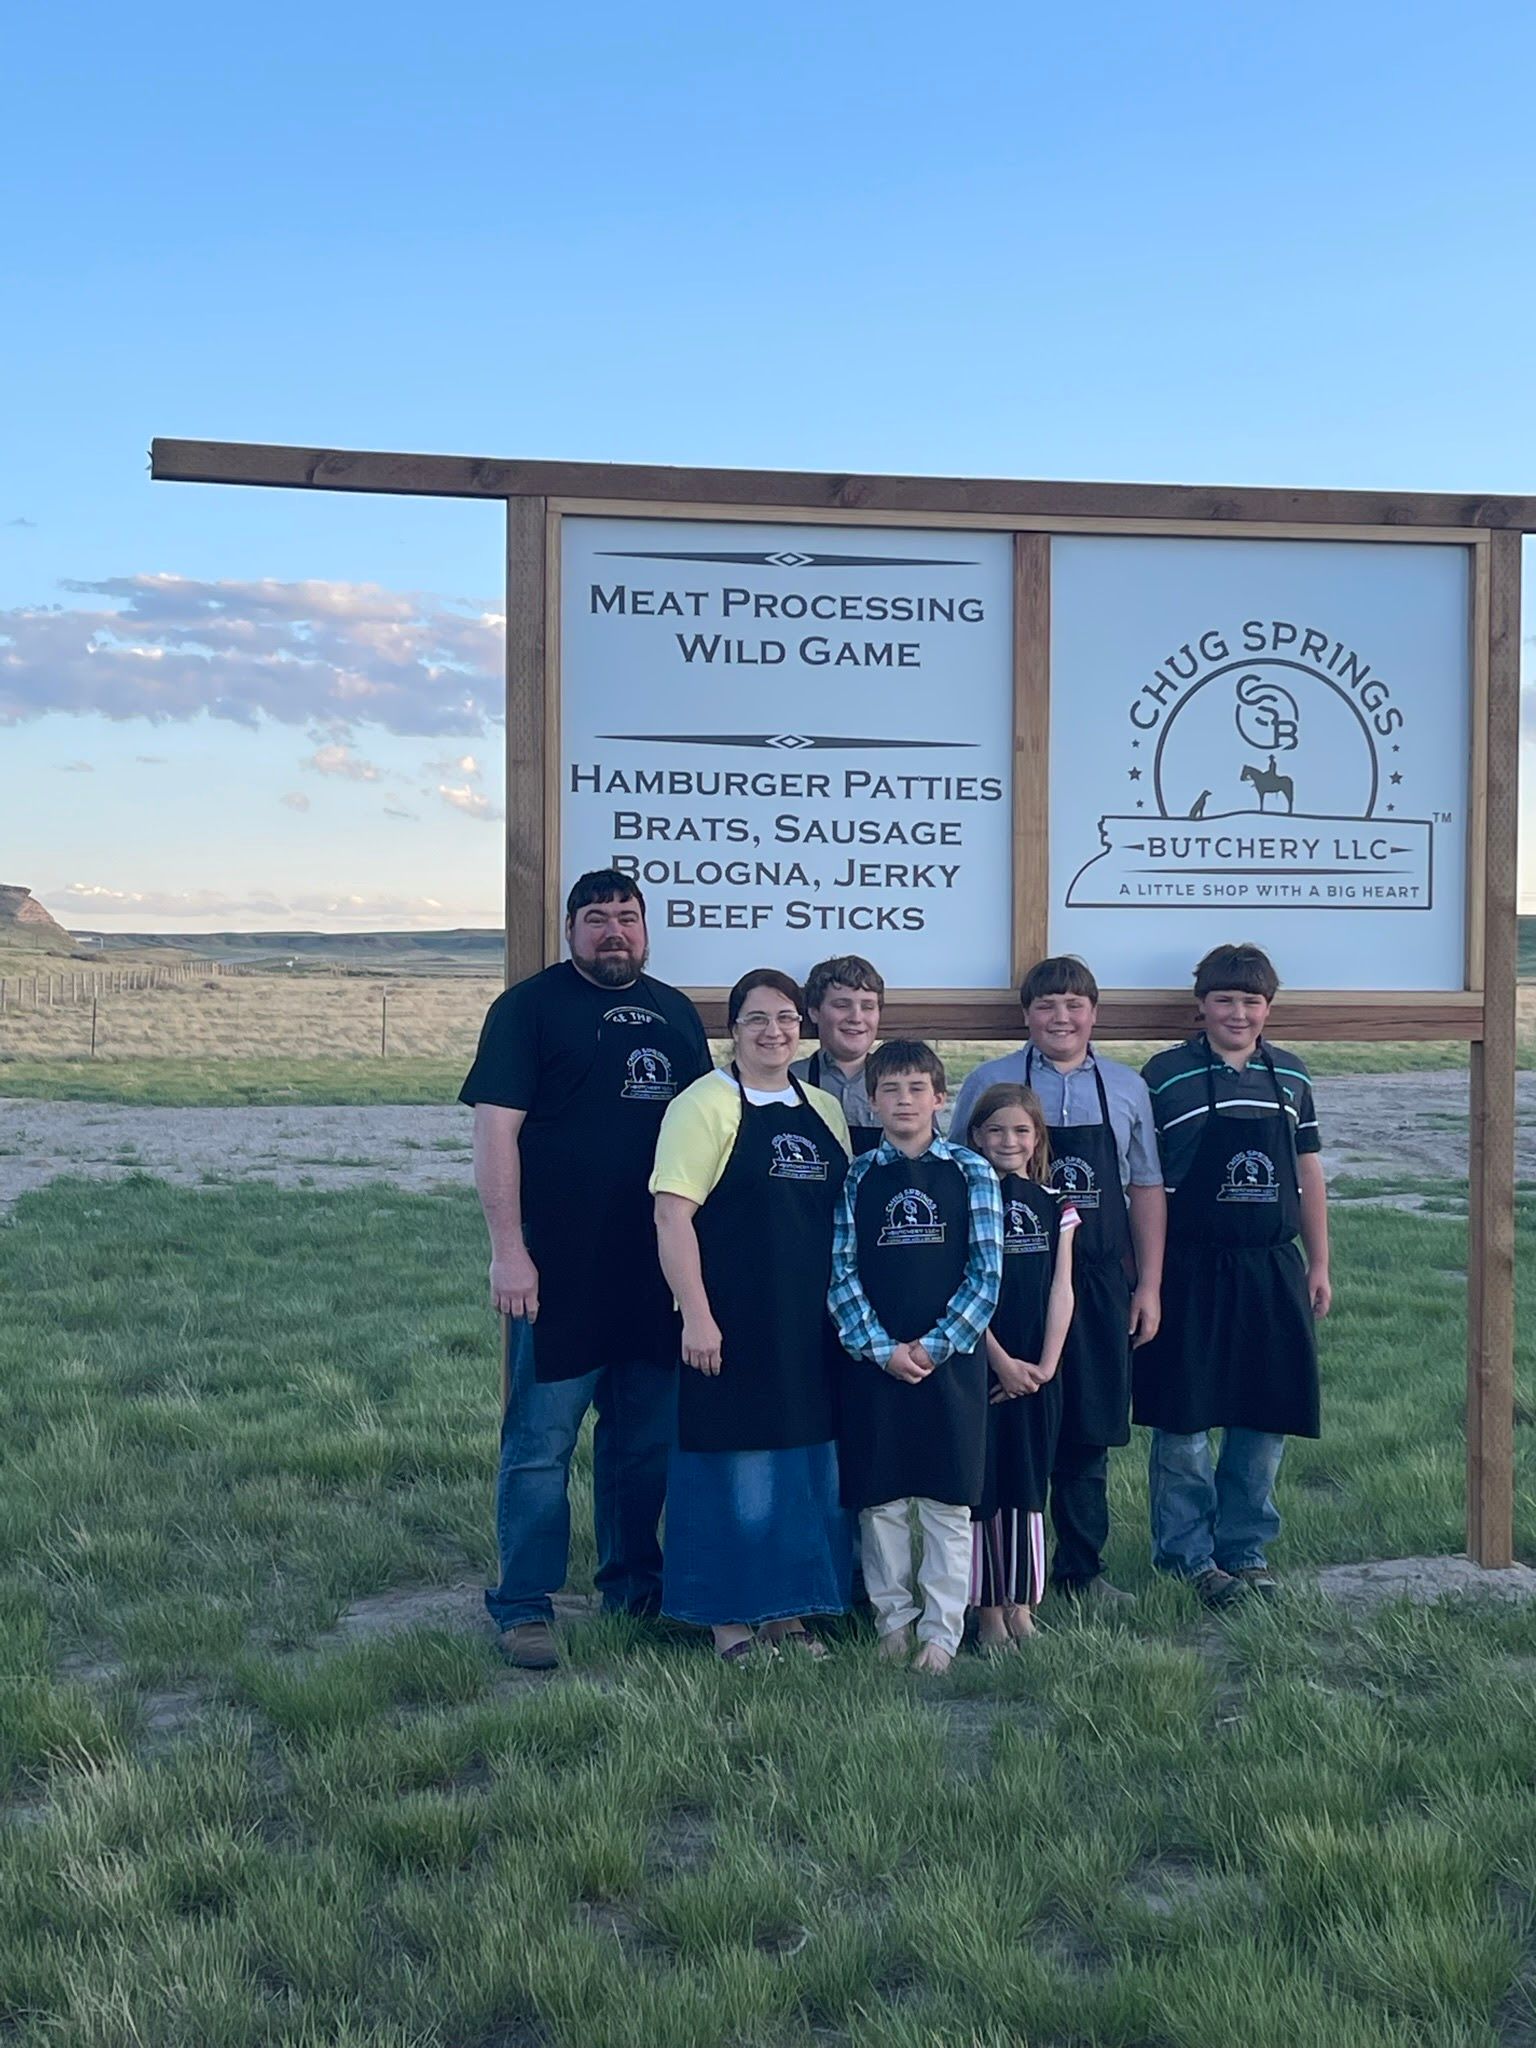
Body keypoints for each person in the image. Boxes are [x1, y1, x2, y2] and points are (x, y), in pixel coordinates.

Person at [461, 870, 712, 1668]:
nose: (613, 930)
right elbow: (495, 1134)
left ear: (646, 929)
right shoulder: (528, 1010)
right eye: (596, 917)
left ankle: (634, 1591)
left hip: (654, 1274)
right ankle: (523, 1606)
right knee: (541, 1444)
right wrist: (508, 1250)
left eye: (626, 917)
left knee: (642, 1446)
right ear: (571, 930)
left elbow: (706, 1140)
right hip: (557, 1270)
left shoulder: (676, 1014)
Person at [651, 970, 853, 1660]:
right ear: (732, 1030)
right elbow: (672, 1217)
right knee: (732, 1470)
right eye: (758, 1019)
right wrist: (696, 1316)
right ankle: (728, 1619)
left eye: (787, 1018)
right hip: (730, 1323)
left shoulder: (822, 1109)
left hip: (808, 1327)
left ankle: (786, 1615)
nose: (774, 1031)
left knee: (800, 1469)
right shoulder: (702, 1105)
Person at [952, 958, 1164, 1606]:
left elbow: (1145, 1186)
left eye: (1074, 1005)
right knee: (1003, 1428)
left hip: (1094, 1281)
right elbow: (956, 1171)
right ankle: (998, 1580)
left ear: (1093, 1013)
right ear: (1026, 1014)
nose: (1061, 1017)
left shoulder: (1126, 1087)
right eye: (1046, 1005)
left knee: (1088, 1428)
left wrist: (1148, 1285)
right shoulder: (989, 1081)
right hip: (1008, 1288)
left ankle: (1082, 1570)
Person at [1133, 943, 1331, 1608]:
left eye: (1251, 1001)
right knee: (1184, 1419)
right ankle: (1187, 1557)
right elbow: (1147, 1180)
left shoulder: (1292, 1075)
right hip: (1190, 1265)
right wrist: (1148, 1280)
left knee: (1264, 1412)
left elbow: (1307, 1172)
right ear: (1202, 1006)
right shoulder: (1165, 1075)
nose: (1238, 1013)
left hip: (1271, 1265)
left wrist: (1319, 1262)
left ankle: (1244, 1550)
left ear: (1268, 1007)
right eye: (1225, 1000)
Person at [829, 1041, 1003, 1674]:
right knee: (882, 1502)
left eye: (916, 1089)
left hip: (950, 1363)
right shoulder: (857, 1177)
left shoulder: (971, 1172)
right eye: (891, 1090)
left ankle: (941, 1632)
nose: (904, 1101)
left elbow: (986, 1274)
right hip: (875, 1363)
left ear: (939, 1097)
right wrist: (880, 1349)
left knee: (946, 1502)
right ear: (871, 1101)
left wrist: (934, 1345)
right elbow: (841, 1272)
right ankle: (893, 1622)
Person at [966, 1084, 1078, 1650]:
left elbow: (1062, 1287)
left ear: (1037, 1139)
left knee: (1029, 1481)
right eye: (996, 1130)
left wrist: (1046, 1365)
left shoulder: (1056, 1203)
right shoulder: (965, 1195)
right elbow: (959, 1288)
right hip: (982, 1365)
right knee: (984, 1484)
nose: (1008, 1141)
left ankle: (1022, 1604)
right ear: (976, 1136)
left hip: (1037, 1370)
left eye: (1020, 1131)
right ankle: (986, 1610)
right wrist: (1001, 1362)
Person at [790, 954, 885, 1153]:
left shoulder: (901, 1083)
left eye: (868, 1007)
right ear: (814, 1012)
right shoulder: (790, 1081)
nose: (856, 1017)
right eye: (842, 1005)